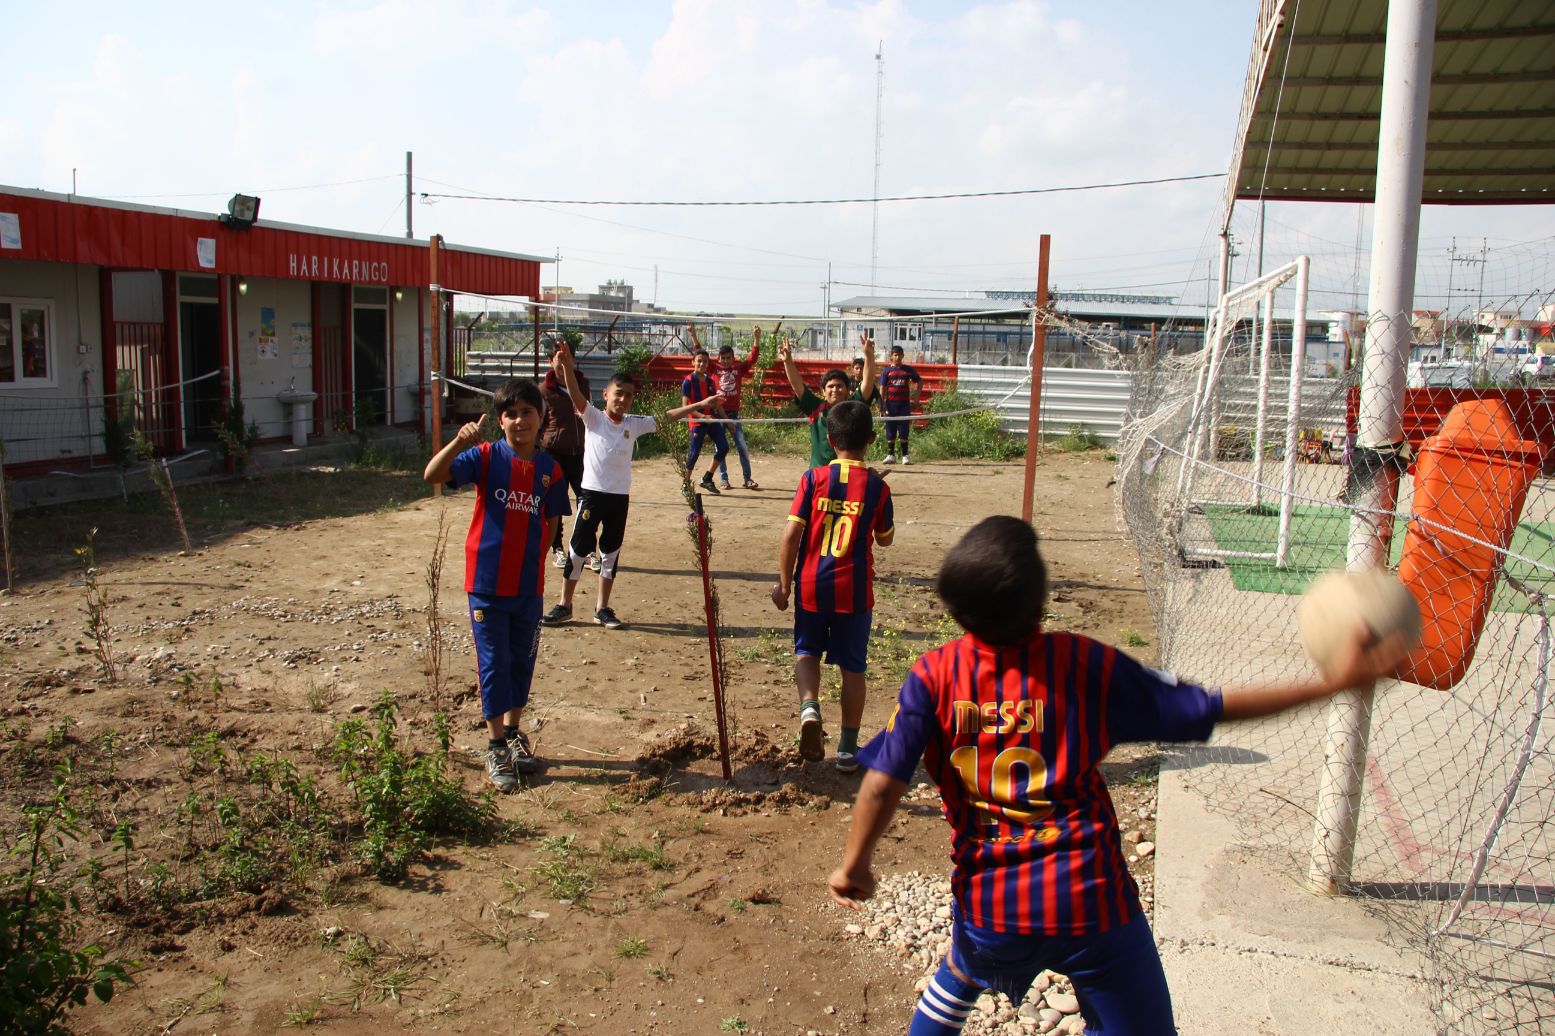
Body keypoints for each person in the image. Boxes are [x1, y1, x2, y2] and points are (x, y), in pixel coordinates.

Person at [828, 516, 1413, 1035]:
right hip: (1092, 901)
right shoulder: (1083, 665)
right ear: (1040, 605)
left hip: (993, 902)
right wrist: (1329, 684)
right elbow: (1212, 708)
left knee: (963, 969)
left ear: (954, 608)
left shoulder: (933, 678)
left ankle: (958, 982)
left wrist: (855, 865)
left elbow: (882, 782)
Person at [422, 379, 571, 791]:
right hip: (487, 583)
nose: (519, 420)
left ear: (541, 418)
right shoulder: (485, 457)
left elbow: (552, 520)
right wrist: (457, 442)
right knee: (494, 664)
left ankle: (513, 733)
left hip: (528, 587)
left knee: (522, 661)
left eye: (527, 412)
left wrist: (538, 561)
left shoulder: (550, 470)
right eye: (511, 413)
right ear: (501, 421)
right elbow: (431, 475)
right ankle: (495, 746)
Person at [543, 347, 721, 630]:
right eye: (618, 393)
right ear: (606, 395)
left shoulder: (633, 424)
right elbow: (576, 395)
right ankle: (565, 604)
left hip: (619, 500)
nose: (623, 399)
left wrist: (701, 404)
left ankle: (602, 608)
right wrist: (565, 368)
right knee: (577, 552)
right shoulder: (593, 418)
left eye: (628, 395)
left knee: (610, 554)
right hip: (591, 497)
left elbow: (665, 417)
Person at [770, 401, 894, 772]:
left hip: (810, 584)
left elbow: (792, 533)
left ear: (829, 438)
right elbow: (884, 540)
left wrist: (783, 584)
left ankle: (810, 708)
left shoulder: (812, 479)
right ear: (871, 439)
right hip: (854, 591)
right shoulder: (876, 487)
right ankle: (847, 750)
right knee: (853, 668)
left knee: (806, 651)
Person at [780, 331, 879, 469]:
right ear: (823, 391)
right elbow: (797, 385)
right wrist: (787, 361)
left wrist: (869, 355)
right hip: (819, 474)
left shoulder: (854, 407)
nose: (835, 390)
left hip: (848, 474)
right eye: (830, 386)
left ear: (847, 389)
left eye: (839, 386)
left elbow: (868, 382)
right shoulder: (815, 407)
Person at [539, 333, 593, 569]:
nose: (562, 363)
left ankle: (587, 549)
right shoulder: (543, 390)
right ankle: (557, 548)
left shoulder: (582, 383)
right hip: (554, 454)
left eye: (567, 358)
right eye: (558, 359)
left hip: (580, 453)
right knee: (555, 504)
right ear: (551, 361)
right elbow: (539, 423)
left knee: (588, 503)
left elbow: (589, 413)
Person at [711, 335, 762, 490]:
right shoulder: (714, 369)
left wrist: (756, 338)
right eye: (723, 358)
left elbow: (752, 358)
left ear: (733, 358)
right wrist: (693, 335)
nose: (726, 360)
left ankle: (747, 479)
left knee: (742, 446)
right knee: (720, 448)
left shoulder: (738, 369)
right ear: (719, 359)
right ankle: (723, 479)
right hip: (717, 415)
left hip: (733, 414)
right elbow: (700, 353)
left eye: (728, 358)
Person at [682, 349, 730, 496]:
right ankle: (686, 484)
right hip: (697, 422)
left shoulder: (710, 381)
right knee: (694, 454)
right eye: (699, 361)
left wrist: (728, 422)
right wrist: (702, 416)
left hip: (712, 420)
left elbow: (716, 404)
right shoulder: (688, 381)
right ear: (693, 362)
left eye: (705, 361)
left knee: (723, 447)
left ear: (708, 364)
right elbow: (685, 407)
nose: (702, 364)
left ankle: (707, 477)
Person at [878, 344, 923, 465]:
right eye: (895, 355)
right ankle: (890, 455)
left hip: (904, 405)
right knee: (890, 430)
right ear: (891, 356)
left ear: (902, 356)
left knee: (904, 430)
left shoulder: (907, 370)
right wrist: (882, 405)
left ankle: (905, 455)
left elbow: (919, 381)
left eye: (899, 355)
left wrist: (916, 397)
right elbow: (882, 389)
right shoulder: (887, 372)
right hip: (891, 405)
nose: (897, 357)